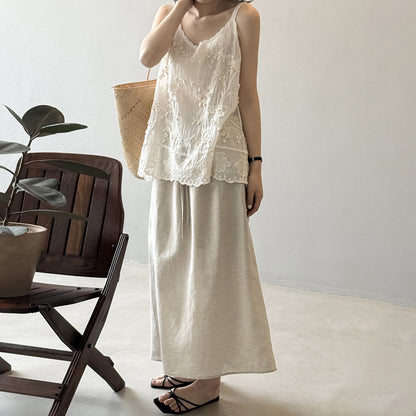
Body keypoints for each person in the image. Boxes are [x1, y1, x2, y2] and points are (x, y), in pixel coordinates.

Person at [138, 0, 277, 413]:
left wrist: (256, 166)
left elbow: (247, 95)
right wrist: (182, 4)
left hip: (221, 154)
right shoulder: (170, 11)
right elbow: (147, 57)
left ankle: (208, 381)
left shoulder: (244, 17)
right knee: (168, 262)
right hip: (169, 151)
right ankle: (186, 363)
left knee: (213, 268)